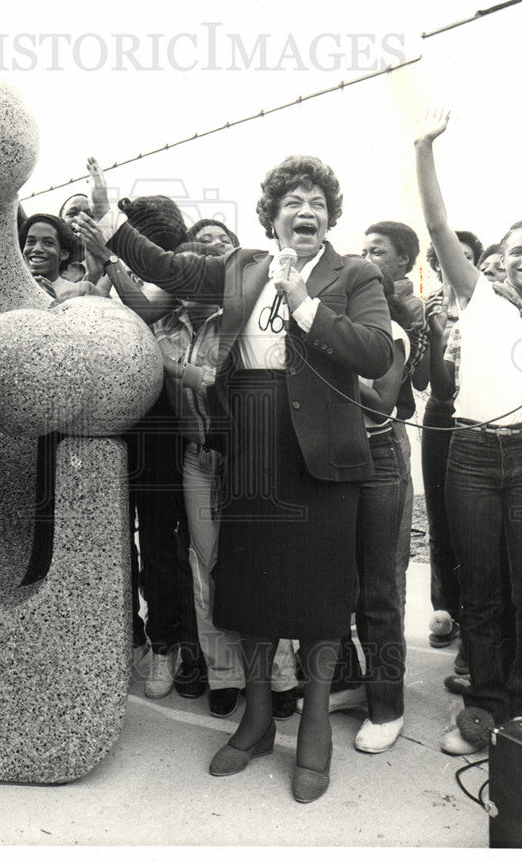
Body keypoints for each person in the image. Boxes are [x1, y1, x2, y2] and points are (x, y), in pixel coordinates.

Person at [75, 154, 393, 802]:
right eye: (291, 202)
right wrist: (111, 217)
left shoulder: (353, 273)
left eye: (316, 202)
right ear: (271, 215)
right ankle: (253, 716)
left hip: (323, 458)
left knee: (322, 598)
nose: (305, 211)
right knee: (249, 594)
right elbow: (165, 270)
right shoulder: (239, 266)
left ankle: (311, 728)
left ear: (330, 215)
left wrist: (303, 303)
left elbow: (376, 352)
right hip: (249, 450)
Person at [415, 108, 522, 755]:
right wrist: (423, 148)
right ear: (500, 260)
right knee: (481, 593)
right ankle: (483, 707)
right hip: (469, 454)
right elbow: (439, 227)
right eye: (518, 249)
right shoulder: (477, 299)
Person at [152, 222, 299, 720]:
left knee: (260, 564)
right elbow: (151, 363)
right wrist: (179, 370)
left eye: (201, 278)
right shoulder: (163, 329)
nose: (191, 288)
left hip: (245, 457)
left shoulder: (241, 321)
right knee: (205, 564)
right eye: (182, 279)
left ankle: (280, 677)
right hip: (197, 458)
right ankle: (224, 675)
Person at [80, 194, 206, 700]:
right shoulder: (107, 274)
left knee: (158, 539)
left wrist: (111, 259)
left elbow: (147, 312)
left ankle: (164, 643)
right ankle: (126, 633)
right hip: (108, 426)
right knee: (114, 538)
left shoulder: (171, 281)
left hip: (158, 427)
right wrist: (101, 267)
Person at [349, 270, 409, 753]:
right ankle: (351, 681)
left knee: (378, 591)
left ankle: (387, 705)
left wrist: (325, 362)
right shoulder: (335, 328)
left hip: (377, 456)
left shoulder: (391, 336)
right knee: (334, 583)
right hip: (331, 457)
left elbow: (383, 402)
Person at [362, 221, 428, 633]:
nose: (367, 260)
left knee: (387, 568)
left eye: (377, 252)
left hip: (385, 437)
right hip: (353, 436)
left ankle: (385, 669)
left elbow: (409, 386)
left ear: (404, 260)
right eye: (363, 252)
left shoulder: (406, 314)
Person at [421, 232, 484, 655]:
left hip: (482, 417)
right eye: (446, 258)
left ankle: (479, 622)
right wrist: (434, 332)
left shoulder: (490, 304)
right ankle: (447, 612)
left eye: (464, 258)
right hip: (441, 417)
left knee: (475, 525)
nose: (453, 263)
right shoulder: (428, 308)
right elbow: (428, 384)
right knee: (441, 520)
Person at [19, 213, 102, 299]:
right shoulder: (10, 290)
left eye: (48, 243)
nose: (37, 249)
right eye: (31, 242)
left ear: (64, 253)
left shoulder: (82, 292)